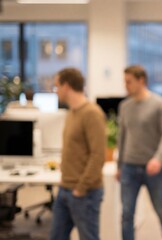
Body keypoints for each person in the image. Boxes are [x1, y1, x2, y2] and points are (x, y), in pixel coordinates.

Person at [117, 65, 162, 240]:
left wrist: (157, 158)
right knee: (127, 214)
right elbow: (122, 137)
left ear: (141, 80)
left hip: (153, 168)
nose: (126, 85)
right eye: (125, 82)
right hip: (129, 168)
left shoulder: (159, 104)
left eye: (129, 82)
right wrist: (119, 166)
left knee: (160, 209)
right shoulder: (125, 106)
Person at [50, 68, 105, 240]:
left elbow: (98, 156)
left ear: (66, 86)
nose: (56, 90)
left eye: (57, 86)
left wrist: (81, 188)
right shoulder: (71, 112)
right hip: (65, 188)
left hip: (84, 192)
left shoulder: (92, 113)